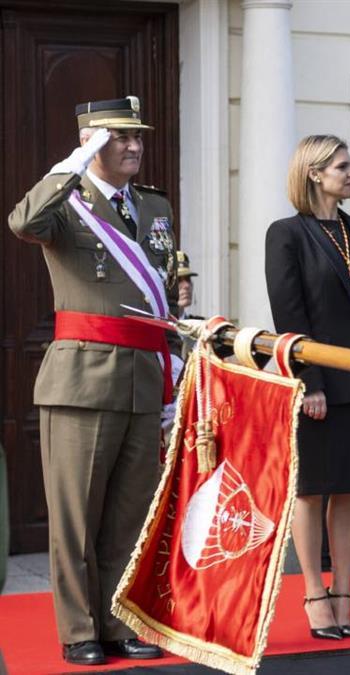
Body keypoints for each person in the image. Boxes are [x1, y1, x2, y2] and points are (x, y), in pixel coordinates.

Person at [8, 96, 175, 665]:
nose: (132, 146)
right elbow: (23, 222)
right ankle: (80, 630)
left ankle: (119, 621)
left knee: (130, 516)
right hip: (82, 379)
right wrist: (74, 163)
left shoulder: (153, 207)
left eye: (136, 137)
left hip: (142, 378)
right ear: (91, 143)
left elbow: (161, 293)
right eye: (117, 138)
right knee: (78, 516)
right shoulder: (66, 203)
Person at [264, 135, 350, 641]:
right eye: (343, 166)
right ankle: (314, 591)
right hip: (314, 383)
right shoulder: (286, 235)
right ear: (315, 174)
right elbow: (288, 316)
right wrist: (307, 381)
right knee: (313, 492)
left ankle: (345, 592)